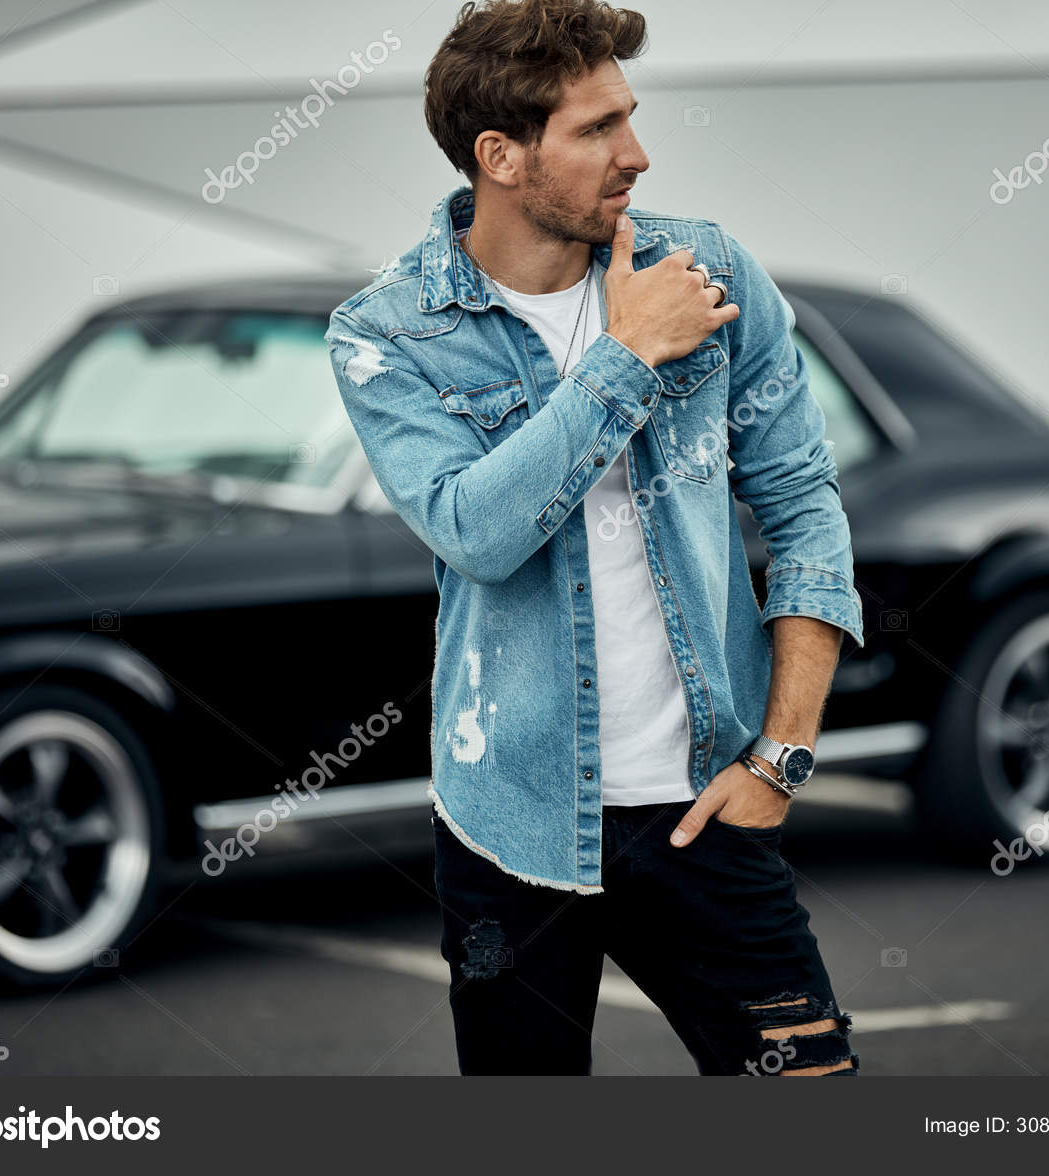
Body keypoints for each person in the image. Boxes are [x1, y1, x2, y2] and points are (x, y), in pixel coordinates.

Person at [326, 0, 865, 1076]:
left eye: (630, 114)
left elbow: (806, 508)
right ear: (502, 156)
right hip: (508, 825)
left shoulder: (705, 275)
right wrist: (625, 358)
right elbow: (477, 531)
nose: (637, 152)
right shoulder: (388, 334)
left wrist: (783, 757)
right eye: (597, 128)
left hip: (709, 804)